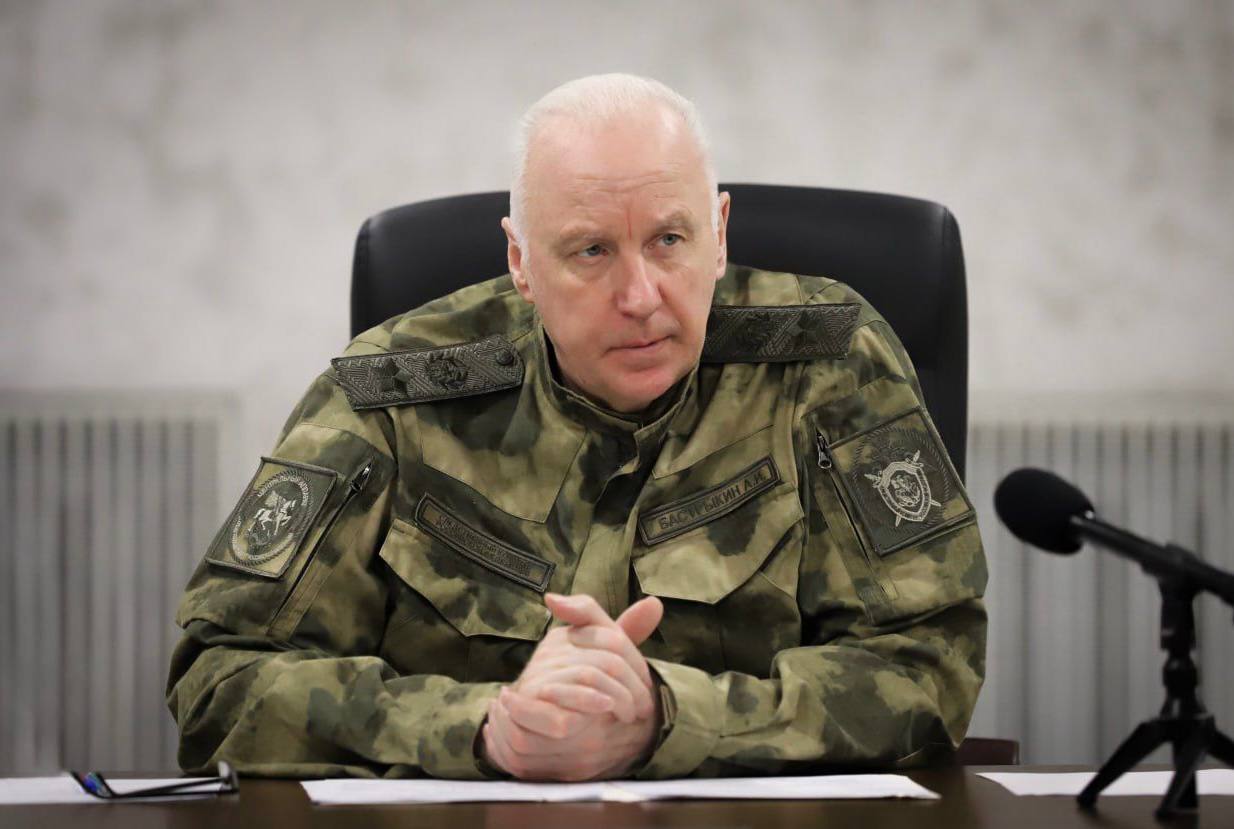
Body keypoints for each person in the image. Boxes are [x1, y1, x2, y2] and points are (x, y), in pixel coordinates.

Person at [167, 73, 987, 782]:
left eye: (670, 239)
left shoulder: (829, 364)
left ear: (720, 234)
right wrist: (483, 729)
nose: (640, 296)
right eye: (591, 251)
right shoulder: (394, 391)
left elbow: (930, 665)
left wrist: (668, 716)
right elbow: (220, 676)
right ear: (520, 262)